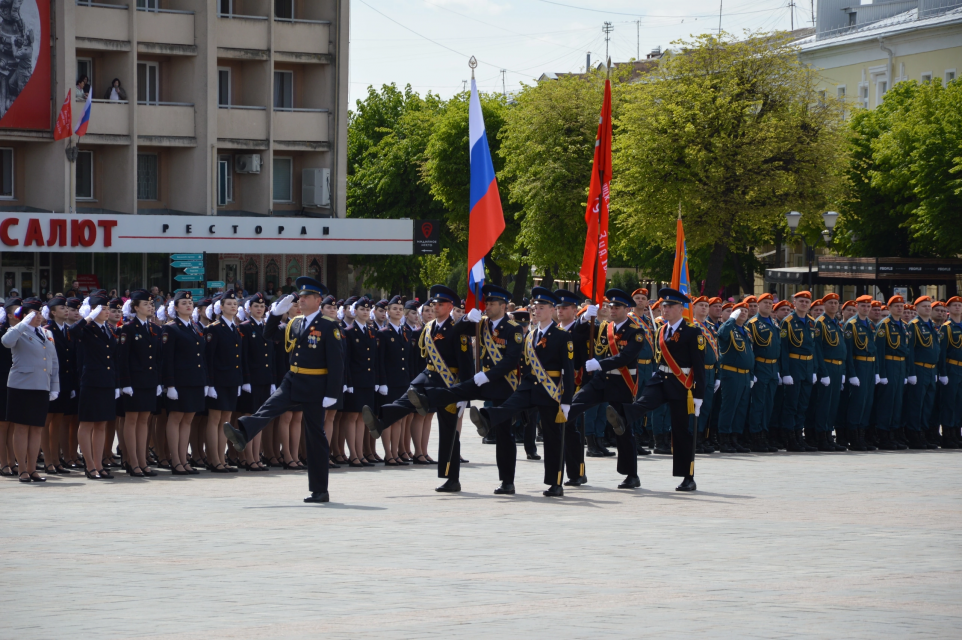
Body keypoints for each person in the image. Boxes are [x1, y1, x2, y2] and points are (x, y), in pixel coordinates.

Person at [224, 277, 344, 503]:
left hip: (316, 385)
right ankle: (243, 433)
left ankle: (320, 490)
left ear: (318, 300)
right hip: (293, 379)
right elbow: (269, 335)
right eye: (301, 296)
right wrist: (275, 313)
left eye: (307, 296)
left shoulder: (329, 327)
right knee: (269, 407)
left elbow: (337, 363)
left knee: (315, 436)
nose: (302, 299)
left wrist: (332, 394)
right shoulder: (295, 323)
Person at [409, 285, 524, 494]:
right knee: (454, 393)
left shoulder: (513, 327)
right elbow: (457, 330)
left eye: (491, 304)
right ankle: (429, 398)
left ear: (503, 306)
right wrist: (467, 318)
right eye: (486, 303)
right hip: (482, 382)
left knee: (504, 434)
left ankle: (507, 481)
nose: (487, 307)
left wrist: (487, 375)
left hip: (503, 385)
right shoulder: (482, 324)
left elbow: (510, 360)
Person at [361, 285, 473, 493]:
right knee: (406, 398)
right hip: (428, 375)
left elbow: (466, 364)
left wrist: (464, 394)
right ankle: (381, 422)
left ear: (450, 307)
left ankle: (452, 478)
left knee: (449, 431)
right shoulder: (429, 328)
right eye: (433, 304)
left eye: (440, 304)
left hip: (448, 382)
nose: (435, 307)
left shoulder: (458, 329)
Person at [467, 287, 574, 497]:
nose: (536, 311)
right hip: (528, 386)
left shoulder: (562, 336)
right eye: (535, 307)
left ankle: (555, 483)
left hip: (550, 390)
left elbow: (568, 371)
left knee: (553, 439)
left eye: (541, 308)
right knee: (508, 406)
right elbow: (525, 366)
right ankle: (487, 418)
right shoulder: (531, 335)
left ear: (552, 310)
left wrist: (567, 400)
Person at [607, 288, 706, 492]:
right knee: (642, 404)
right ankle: (622, 419)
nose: (665, 309)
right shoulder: (661, 330)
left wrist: (699, 394)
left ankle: (688, 477)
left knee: (680, 432)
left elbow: (699, 365)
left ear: (681, 308)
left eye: (669, 306)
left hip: (682, 383)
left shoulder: (693, 332)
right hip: (661, 377)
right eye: (663, 305)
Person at [564, 288, 644, 489]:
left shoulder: (636, 331)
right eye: (610, 306)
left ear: (627, 309)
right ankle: (576, 472)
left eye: (617, 306)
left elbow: (626, 357)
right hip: (600, 382)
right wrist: (583, 320)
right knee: (568, 412)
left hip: (622, 383)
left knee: (623, 429)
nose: (612, 309)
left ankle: (631, 474)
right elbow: (575, 337)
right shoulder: (603, 328)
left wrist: (601, 364)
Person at [1, 298, 59, 483]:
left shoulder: (46, 333)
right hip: (21, 386)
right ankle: (22, 470)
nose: (39, 316)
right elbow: (6, 341)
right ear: (25, 315)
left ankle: (33, 469)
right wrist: (22, 324)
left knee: (36, 429)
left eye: (40, 313)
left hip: (41, 386)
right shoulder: (17, 332)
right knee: (21, 428)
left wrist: (54, 387)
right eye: (34, 313)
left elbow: (53, 362)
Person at [70, 293, 118, 480]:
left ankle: (99, 464)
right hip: (90, 381)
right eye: (102, 309)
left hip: (106, 381)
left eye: (107, 309)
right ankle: (89, 465)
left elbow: (113, 357)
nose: (106, 312)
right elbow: (73, 331)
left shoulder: (108, 329)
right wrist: (88, 317)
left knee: (101, 424)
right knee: (87, 423)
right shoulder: (87, 328)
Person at [117, 290, 162, 477]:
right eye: (146, 304)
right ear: (135, 308)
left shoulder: (155, 329)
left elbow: (158, 358)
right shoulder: (127, 328)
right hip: (134, 382)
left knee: (144, 420)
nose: (150, 307)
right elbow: (123, 358)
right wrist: (125, 383)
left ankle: (142, 460)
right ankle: (132, 461)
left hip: (149, 381)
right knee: (132, 419)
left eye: (151, 304)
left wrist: (158, 381)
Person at [162, 291, 207, 476]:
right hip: (179, 382)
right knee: (176, 418)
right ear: (175, 307)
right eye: (184, 303)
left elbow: (201, 356)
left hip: (194, 380)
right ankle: (176, 460)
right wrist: (170, 385)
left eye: (190, 302)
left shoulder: (195, 327)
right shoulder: (171, 328)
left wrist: (204, 380)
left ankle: (184, 458)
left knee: (188, 419)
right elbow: (167, 359)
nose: (189, 305)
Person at [203, 290, 247, 472]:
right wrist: (210, 384)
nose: (233, 306)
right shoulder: (214, 328)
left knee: (226, 421)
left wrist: (239, 381)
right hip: (218, 381)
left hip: (231, 380)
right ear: (220, 308)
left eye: (235, 304)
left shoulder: (235, 328)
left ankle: (222, 458)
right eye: (228, 304)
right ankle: (214, 459)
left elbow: (238, 359)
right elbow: (209, 358)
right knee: (214, 419)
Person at [239, 293, 277, 469]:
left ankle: (256, 456)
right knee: (250, 417)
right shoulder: (246, 327)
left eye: (262, 307)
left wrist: (271, 380)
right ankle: (248, 458)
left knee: (260, 419)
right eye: (256, 306)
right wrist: (245, 379)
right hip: (251, 380)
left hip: (264, 379)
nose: (260, 309)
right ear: (248, 309)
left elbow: (270, 357)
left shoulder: (266, 326)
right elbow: (244, 356)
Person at [341, 297, 381, 467]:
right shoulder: (349, 332)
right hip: (354, 380)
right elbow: (347, 360)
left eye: (367, 309)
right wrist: (348, 382)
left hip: (368, 380)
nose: (365, 312)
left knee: (363, 418)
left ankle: (361, 453)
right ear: (354, 311)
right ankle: (354, 455)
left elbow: (375, 359)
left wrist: (377, 380)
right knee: (352, 416)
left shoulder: (371, 331)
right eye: (361, 309)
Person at [375, 295, 414, 466]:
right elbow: (380, 360)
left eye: (400, 309)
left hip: (403, 381)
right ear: (388, 312)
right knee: (389, 418)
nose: (398, 311)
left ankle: (397, 451)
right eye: (394, 309)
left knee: (399, 418)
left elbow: (409, 360)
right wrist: (382, 382)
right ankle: (388, 454)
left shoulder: (406, 332)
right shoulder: (383, 333)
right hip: (389, 382)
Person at [779, 291, 818, 452]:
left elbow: (814, 347)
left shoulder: (811, 322)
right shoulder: (788, 322)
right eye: (801, 301)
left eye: (807, 301)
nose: (804, 304)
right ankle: (790, 438)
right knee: (792, 403)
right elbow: (784, 349)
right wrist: (785, 372)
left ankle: (798, 435)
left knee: (803, 404)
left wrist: (814, 369)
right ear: (794, 302)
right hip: (794, 364)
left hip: (808, 365)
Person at [42, 296, 75, 474]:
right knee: (47, 423)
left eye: (66, 307)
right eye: (62, 307)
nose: (66, 309)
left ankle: (56, 459)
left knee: (58, 421)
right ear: (53, 312)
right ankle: (48, 460)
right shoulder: (48, 330)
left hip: (65, 382)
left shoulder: (67, 330)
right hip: (51, 381)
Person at [716, 302, 755, 453]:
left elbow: (750, 354)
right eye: (740, 311)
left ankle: (734, 439)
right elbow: (721, 335)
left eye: (746, 311)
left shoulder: (746, 331)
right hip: (731, 373)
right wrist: (731, 319)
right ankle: (724, 439)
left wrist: (751, 375)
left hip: (745, 375)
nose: (744, 313)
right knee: (729, 407)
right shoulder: (728, 328)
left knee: (740, 409)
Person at [904, 296, 941, 449]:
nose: (927, 309)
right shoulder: (913, 325)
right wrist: (911, 372)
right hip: (919, 369)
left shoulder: (932, 326)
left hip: (932, 369)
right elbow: (910, 350)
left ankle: (924, 433)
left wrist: (937, 370)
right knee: (916, 403)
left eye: (929, 306)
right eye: (924, 306)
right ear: (916, 308)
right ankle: (914, 434)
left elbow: (935, 350)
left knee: (928, 404)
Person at [812, 293, 848, 451]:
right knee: (824, 404)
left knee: (833, 404)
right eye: (830, 303)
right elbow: (818, 349)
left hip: (838, 367)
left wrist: (844, 371)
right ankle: (821, 437)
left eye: (836, 303)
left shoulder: (836, 323)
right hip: (827, 366)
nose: (834, 305)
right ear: (824, 304)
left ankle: (828, 435)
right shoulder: (820, 323)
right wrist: (823, 372)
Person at [873, 295, 909, 450]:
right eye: (896, 306)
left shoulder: (904, 326)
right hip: (889, 364)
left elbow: (906, 351)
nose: (899, 308)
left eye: (901, 306)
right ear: (888, 308)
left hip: (900, 365)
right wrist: (881, 374)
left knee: (897, 402)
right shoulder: (884, 325)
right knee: (887, 402)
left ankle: (894, 433)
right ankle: (883, 435)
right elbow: (879, 352)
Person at [745, 293, 780, 452]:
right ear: (758, 305)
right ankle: (755, 436)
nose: (768, 305)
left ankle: (764, 434)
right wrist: (753, 371)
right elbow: (750, 349)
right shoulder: (752, 323)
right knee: (758, 404)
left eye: (770, 302)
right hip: (760, 366)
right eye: (764, 302)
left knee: (769, 404)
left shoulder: (773, 322)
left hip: (773, 367)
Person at [844, 295, 879, 451]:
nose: (866, 308)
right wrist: (851, 374)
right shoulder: (851, 325)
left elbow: (875, 350)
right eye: (863, 306)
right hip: (858, 365)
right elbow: (848, 352)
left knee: (868, 402)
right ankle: (854, 437)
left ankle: (862, 436)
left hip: (870, 366)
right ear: (857, 307)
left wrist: (877, 371)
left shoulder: (871, 325)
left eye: (868, 306)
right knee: (857, 403)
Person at [938, 296, 962, 449]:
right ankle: (948, 434)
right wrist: (943, 372)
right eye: (954, 305)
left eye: (960, 305)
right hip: (952, 367)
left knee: (959, 403)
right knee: (949, 402)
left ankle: (957, 432)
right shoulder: (946, 327)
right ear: (948, 309)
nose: (958, 308)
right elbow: (942, 353)